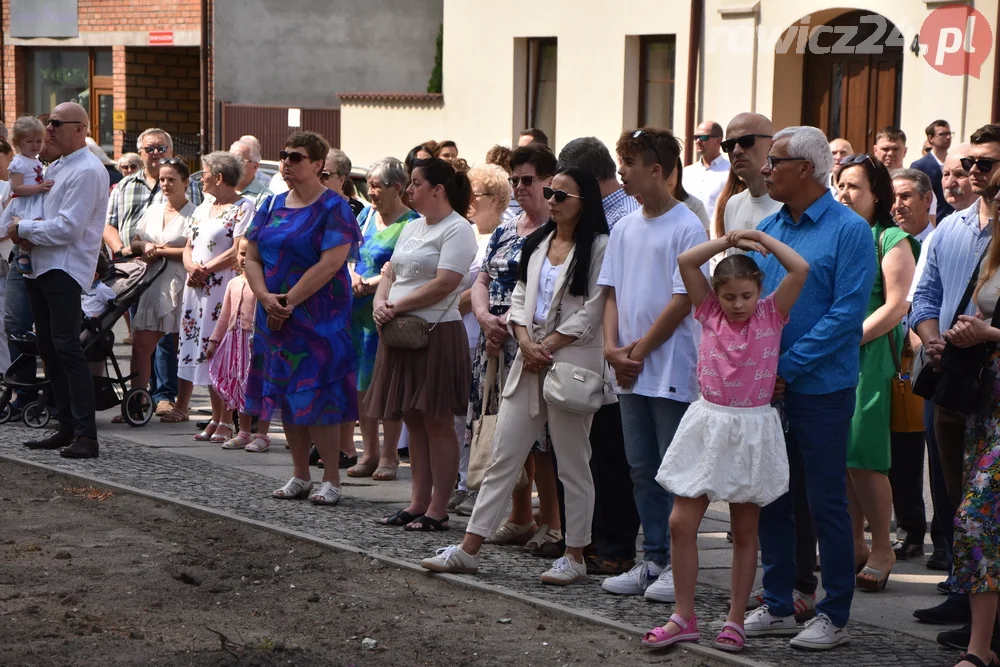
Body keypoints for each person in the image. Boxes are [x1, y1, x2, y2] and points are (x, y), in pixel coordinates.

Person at [421, 166, 610, 583]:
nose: (553, 200)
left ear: (584, 202)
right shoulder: (540, 241)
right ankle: (469, 548)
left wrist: (550, 344)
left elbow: (594, 308)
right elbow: (522, 296)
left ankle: (575, 553)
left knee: (573, 463)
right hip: (529, 357)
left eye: (562, 195)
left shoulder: (598, 246)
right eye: (551, 192)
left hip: (570, 361)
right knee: (504, 454)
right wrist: (524, 338)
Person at [643, 230, 808, 652]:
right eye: (730, 296)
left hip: (752, 426)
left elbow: (800, 268)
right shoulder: (708, 311)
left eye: (746, 295)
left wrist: (759, 239)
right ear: (717, 295)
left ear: (760, 292)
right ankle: (683, 615)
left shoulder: (772, 314)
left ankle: (734, 620)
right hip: (709, 422)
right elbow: (686, 261)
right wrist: (729, 240)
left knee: (745, 528)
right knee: (681, 522)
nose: (738, 305)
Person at [742, 126, 876, 650]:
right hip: (768, 389)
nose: (766, 169)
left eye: (775, 161)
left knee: (825, 502)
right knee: (772, 495)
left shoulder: (849, 230)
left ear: (805, 168)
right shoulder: (771, 225)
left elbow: (847, 314)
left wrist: (789, 366)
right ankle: (778, 603)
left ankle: (834, 614)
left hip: (820, 388)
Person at [598, 128, 707, 602]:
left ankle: (675, 565)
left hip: (667, 368)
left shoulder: (687, 226)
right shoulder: (623, 227)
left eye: (629, 163)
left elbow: (685, 299)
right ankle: (654, 559)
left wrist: (635, 354)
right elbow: (612, 293)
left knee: (672, 468)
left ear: (656, 170)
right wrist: (610, 348)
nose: (621, 172)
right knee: (640, 466)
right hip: (629, 369)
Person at [910, 125, 1000, 639]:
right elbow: (924, 299)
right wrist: (932, 339)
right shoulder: (949, 230)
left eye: (985, 163)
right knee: (951, 494)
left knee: (982, 504)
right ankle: (963, 596)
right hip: (951, 378)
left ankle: (982, 623)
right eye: (971, 163)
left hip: (994, 385)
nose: (974, 172)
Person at [245, 131, 364, 505]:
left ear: (317, 165)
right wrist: (266, 298)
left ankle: (331, 477)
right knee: (286, 395)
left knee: (319, 397)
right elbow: (250, 256)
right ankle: (300, 474)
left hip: (318, 322)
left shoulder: (334, 208)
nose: (286, 162)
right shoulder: (270, 204)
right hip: (274, 318)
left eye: (295, 157)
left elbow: (331, 263)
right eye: (283, 155)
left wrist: (287, 302)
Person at [365, 157, 478, 530]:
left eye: (415, 183)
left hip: (434, 334)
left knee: (437, 421)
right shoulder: (412, 227)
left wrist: (395, 305)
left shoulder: (458, 228)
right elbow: (390, 272)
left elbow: (447, 282)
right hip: (400, 333)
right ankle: (416, 502)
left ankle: (438, 508)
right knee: (413, 419)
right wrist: (382, 302)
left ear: (438, 189)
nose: (409, 190)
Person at [461, 144, 561, 547]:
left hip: (533, 341)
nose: (520, 188)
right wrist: (485, 318)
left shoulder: (556, 229)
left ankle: (551, 521)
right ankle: (520, 517)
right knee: (504, 431)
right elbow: (482, 280)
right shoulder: (505, 228)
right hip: (495, 342)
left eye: (528, 180)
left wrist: (515, 324)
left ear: (549, 183)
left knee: (542, 439)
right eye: (514, 180)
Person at [556, 135, 641, 575]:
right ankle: (581, 540)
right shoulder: (587, 213)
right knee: (577, 453)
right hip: (578, 349)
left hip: (613, 346)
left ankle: (616, 545)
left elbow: (613, 288)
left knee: (611, 453)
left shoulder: (623, 215)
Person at [835, 154, 919, 593]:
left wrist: (846, 339)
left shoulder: (891, 238)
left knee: (865, 456)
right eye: (840, 185)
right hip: (837, 352)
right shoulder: (841, 234)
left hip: (867, 354)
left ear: (876, 193)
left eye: (853, 187)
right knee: (842, 457)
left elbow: (895, 306)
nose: (844, 194)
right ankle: (853, 545)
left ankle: (883, 545)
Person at [12, 102, 109, 459]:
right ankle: (66, 425)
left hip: (64, 268)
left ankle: (86, 435)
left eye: (55, 123)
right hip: (42, 265)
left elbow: (69, 227)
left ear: (80, 129)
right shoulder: (60, 165)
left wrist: (23, 229)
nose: (47, 129)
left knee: (67, 347)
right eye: (47, 122)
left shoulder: (87, 170)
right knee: (51, 349)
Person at [941, 171, 1000, 667]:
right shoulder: (993, 251)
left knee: (975, 513)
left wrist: (988, 334)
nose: (995, 199)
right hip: (988, 404)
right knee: (978, 518)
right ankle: (980, 647)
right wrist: (965, 333)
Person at [170, 152, 254, 437]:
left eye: (204, 173)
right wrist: (191, 266)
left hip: (222, 288)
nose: (200, 178)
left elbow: (238, 249)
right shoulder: (202, 207)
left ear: (219, 177)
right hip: (197, 290)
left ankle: (227, 419)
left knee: (219, 349)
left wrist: (206, 270)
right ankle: (216, 416)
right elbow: (188, 244)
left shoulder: (244, 207)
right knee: (200, 350)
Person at [346, 158, 420, 481]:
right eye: (369, 185)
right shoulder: (364, 215)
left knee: (387, 385)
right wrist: (351, 276)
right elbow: (350, 252)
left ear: (397, 188)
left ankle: (390, 455)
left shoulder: (412, 224)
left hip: (386, 312)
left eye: (376, 186)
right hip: (355, 311)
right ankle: (369, 452)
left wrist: (370, 284)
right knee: (361, 385)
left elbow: (404, 267)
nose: (370, 192)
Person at [448, 162, 509, 512]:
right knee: (457, 415)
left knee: (483, 413)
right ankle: (460, 480)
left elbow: (480, 288)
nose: (470, 200)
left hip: (479, 332)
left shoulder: (501, 236)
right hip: (454, 332)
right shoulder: (464, 231)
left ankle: (481, 486)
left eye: (478, 194)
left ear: (498, 199)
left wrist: (450, 307)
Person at [104, 127, 178, 416]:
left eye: (161, 148)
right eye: (150, 149)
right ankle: (140, 394)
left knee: (167, 335)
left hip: (169, 267)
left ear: (170, 151)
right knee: (140, 335)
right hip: (134, 269)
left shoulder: (180, 182)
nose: (156, 154)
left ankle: (165, 395)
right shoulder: (124, 185)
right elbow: (109, 224)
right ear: (141, 152)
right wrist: (122, 250)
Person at [124, 158, 196, 423]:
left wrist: (160, 250)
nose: (165, 184)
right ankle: (137, 401)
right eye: (162, 179)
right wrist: (144, 247)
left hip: (181, 282)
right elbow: (136, 240)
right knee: (142, 344)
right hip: (153, 280)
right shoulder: (153, 209)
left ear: (185, 183)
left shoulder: (194, 212)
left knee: (182, 346)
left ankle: (182, 405)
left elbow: (193, 249)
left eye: (171, 180)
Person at [207, 238, 272, 452]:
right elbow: (224, 315)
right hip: (235, 341)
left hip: (257, 341)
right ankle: (243, 432)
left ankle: (262, 434)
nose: (245, 259)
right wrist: (214, 341)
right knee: (240, 385)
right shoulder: (233, 283)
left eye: (250, 254)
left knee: (260, 387)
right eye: (242, 253)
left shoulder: (265, 283)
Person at [3, 116, 53, 275]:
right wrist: (38, 188)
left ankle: (28, 253)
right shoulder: (19, 162)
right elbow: (16, 188)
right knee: (25, 228)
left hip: (35, 199)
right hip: (24, 202)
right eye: (29, 141)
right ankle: (23, 253)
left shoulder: (37, 161)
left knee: (36, 228)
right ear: (17, 142)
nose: (35, 145)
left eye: (39, 141)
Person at [722, 113, 781, 235]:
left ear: (772, 144)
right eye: (730, 145)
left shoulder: (791, 205)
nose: (736, 151)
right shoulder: (733, 204)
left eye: (746, 141)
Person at [683, 121, 730, 223]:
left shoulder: (730, 172)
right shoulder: (687, 173)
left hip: (716, 236)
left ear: (718, 140)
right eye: (695, 137)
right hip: (689, 235)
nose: (698, 141)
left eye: (703, 137)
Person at [912, 120, 954, 221]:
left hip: (953, 219)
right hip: (932, 222)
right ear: (931, 138)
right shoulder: (920, 165)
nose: (948, 137)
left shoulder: (955, 163)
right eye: (942, 134)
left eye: (949, 134)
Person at [891, 169, 934, 241]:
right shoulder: (881, 243)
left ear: (927, 199)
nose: (897, 205)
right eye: (892, 198)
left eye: (905, 196)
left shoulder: (942, 243)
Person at [667, 156, 709, 229]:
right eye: (659, 172)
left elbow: (704, 239)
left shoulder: (695, 206)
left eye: (669, 172)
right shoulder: (643, 206)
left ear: (678, 172)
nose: (665, 178)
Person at [322, 149, 364, 217]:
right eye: (316, 174)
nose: (318, 179)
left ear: (341, 180)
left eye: (324, 175)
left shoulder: (356, 211)